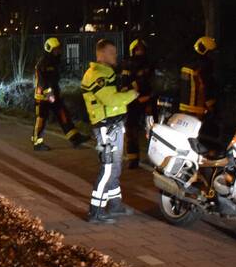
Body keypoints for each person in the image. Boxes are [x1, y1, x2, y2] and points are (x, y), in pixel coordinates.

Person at [80, 39, 139, 223]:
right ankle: (95, 212)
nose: (115, 55)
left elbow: (112, 97)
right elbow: (110, 100)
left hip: (113, 125)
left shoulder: (106, 73)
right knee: (107, 169)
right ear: (102, 54)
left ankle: (115, 206)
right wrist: (132, 94)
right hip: (106, 127)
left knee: (115, 167)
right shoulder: (96, 75)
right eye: (112, 52)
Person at [31, 37, 89, 151]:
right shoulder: (42, 63)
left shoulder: (54, 62)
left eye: (59, 49)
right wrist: (49, 95)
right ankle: (37, 142)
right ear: (50, 49)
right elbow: (43, 82)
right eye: (56, 49)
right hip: (43, 97)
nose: (59, 51)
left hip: (54, 95)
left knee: (64, 115)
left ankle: (75, 138)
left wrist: (55, 94)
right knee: (41, 119)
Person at [121, 38, 155, 168]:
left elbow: (153, 81)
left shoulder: (150, 64)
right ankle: (133, 158)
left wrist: (150, 96)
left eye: (142, 49)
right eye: (137, 49)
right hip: (134, 101)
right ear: (133, 50)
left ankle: (153, 157)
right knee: (131, 130)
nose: (140, 51)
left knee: (151, 129)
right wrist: (135, 92)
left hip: (148, 100)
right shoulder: (128, 64)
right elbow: (125, 84)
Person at [179, 36, 218, 125]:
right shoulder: (203, 67)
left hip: (183, 108)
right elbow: (205, 87)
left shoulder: (187, 64)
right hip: (197, 110)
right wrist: (213, 109)